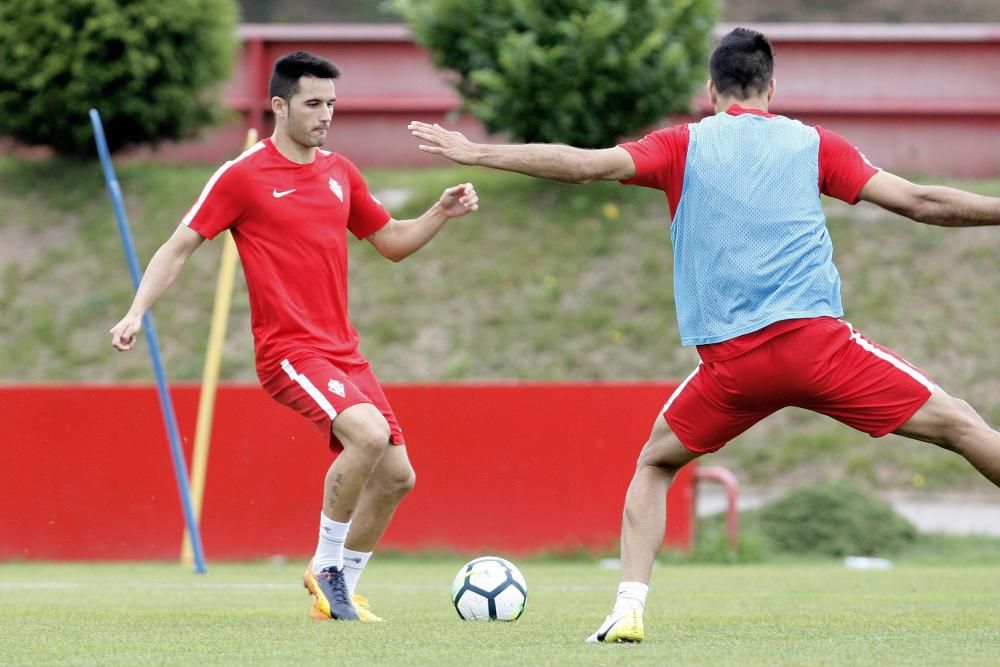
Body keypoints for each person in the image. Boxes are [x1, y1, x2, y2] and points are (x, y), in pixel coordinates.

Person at [409, 27, 1000, 643]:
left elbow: (584, 165)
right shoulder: (814, 143)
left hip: (733, 366)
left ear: (709, 90)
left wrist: (476, 153)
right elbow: (922, 202)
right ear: (771, 88)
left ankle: (629, 607)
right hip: (819, 350)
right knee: (962, 426)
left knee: (655, 463)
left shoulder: (681, 144)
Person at [110, 51, 479, 622]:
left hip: (343, 352)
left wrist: (439, 212)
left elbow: (392, 243)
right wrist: (137, 312)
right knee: (368, 434)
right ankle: (327, 564)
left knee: (399, 477)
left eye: (331, 103)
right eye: (313, 103)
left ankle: (338, 593)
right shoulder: (242, 176)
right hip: (289, 352)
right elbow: (178, 246)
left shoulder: (340, 173)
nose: (325, 114)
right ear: (280, 106)